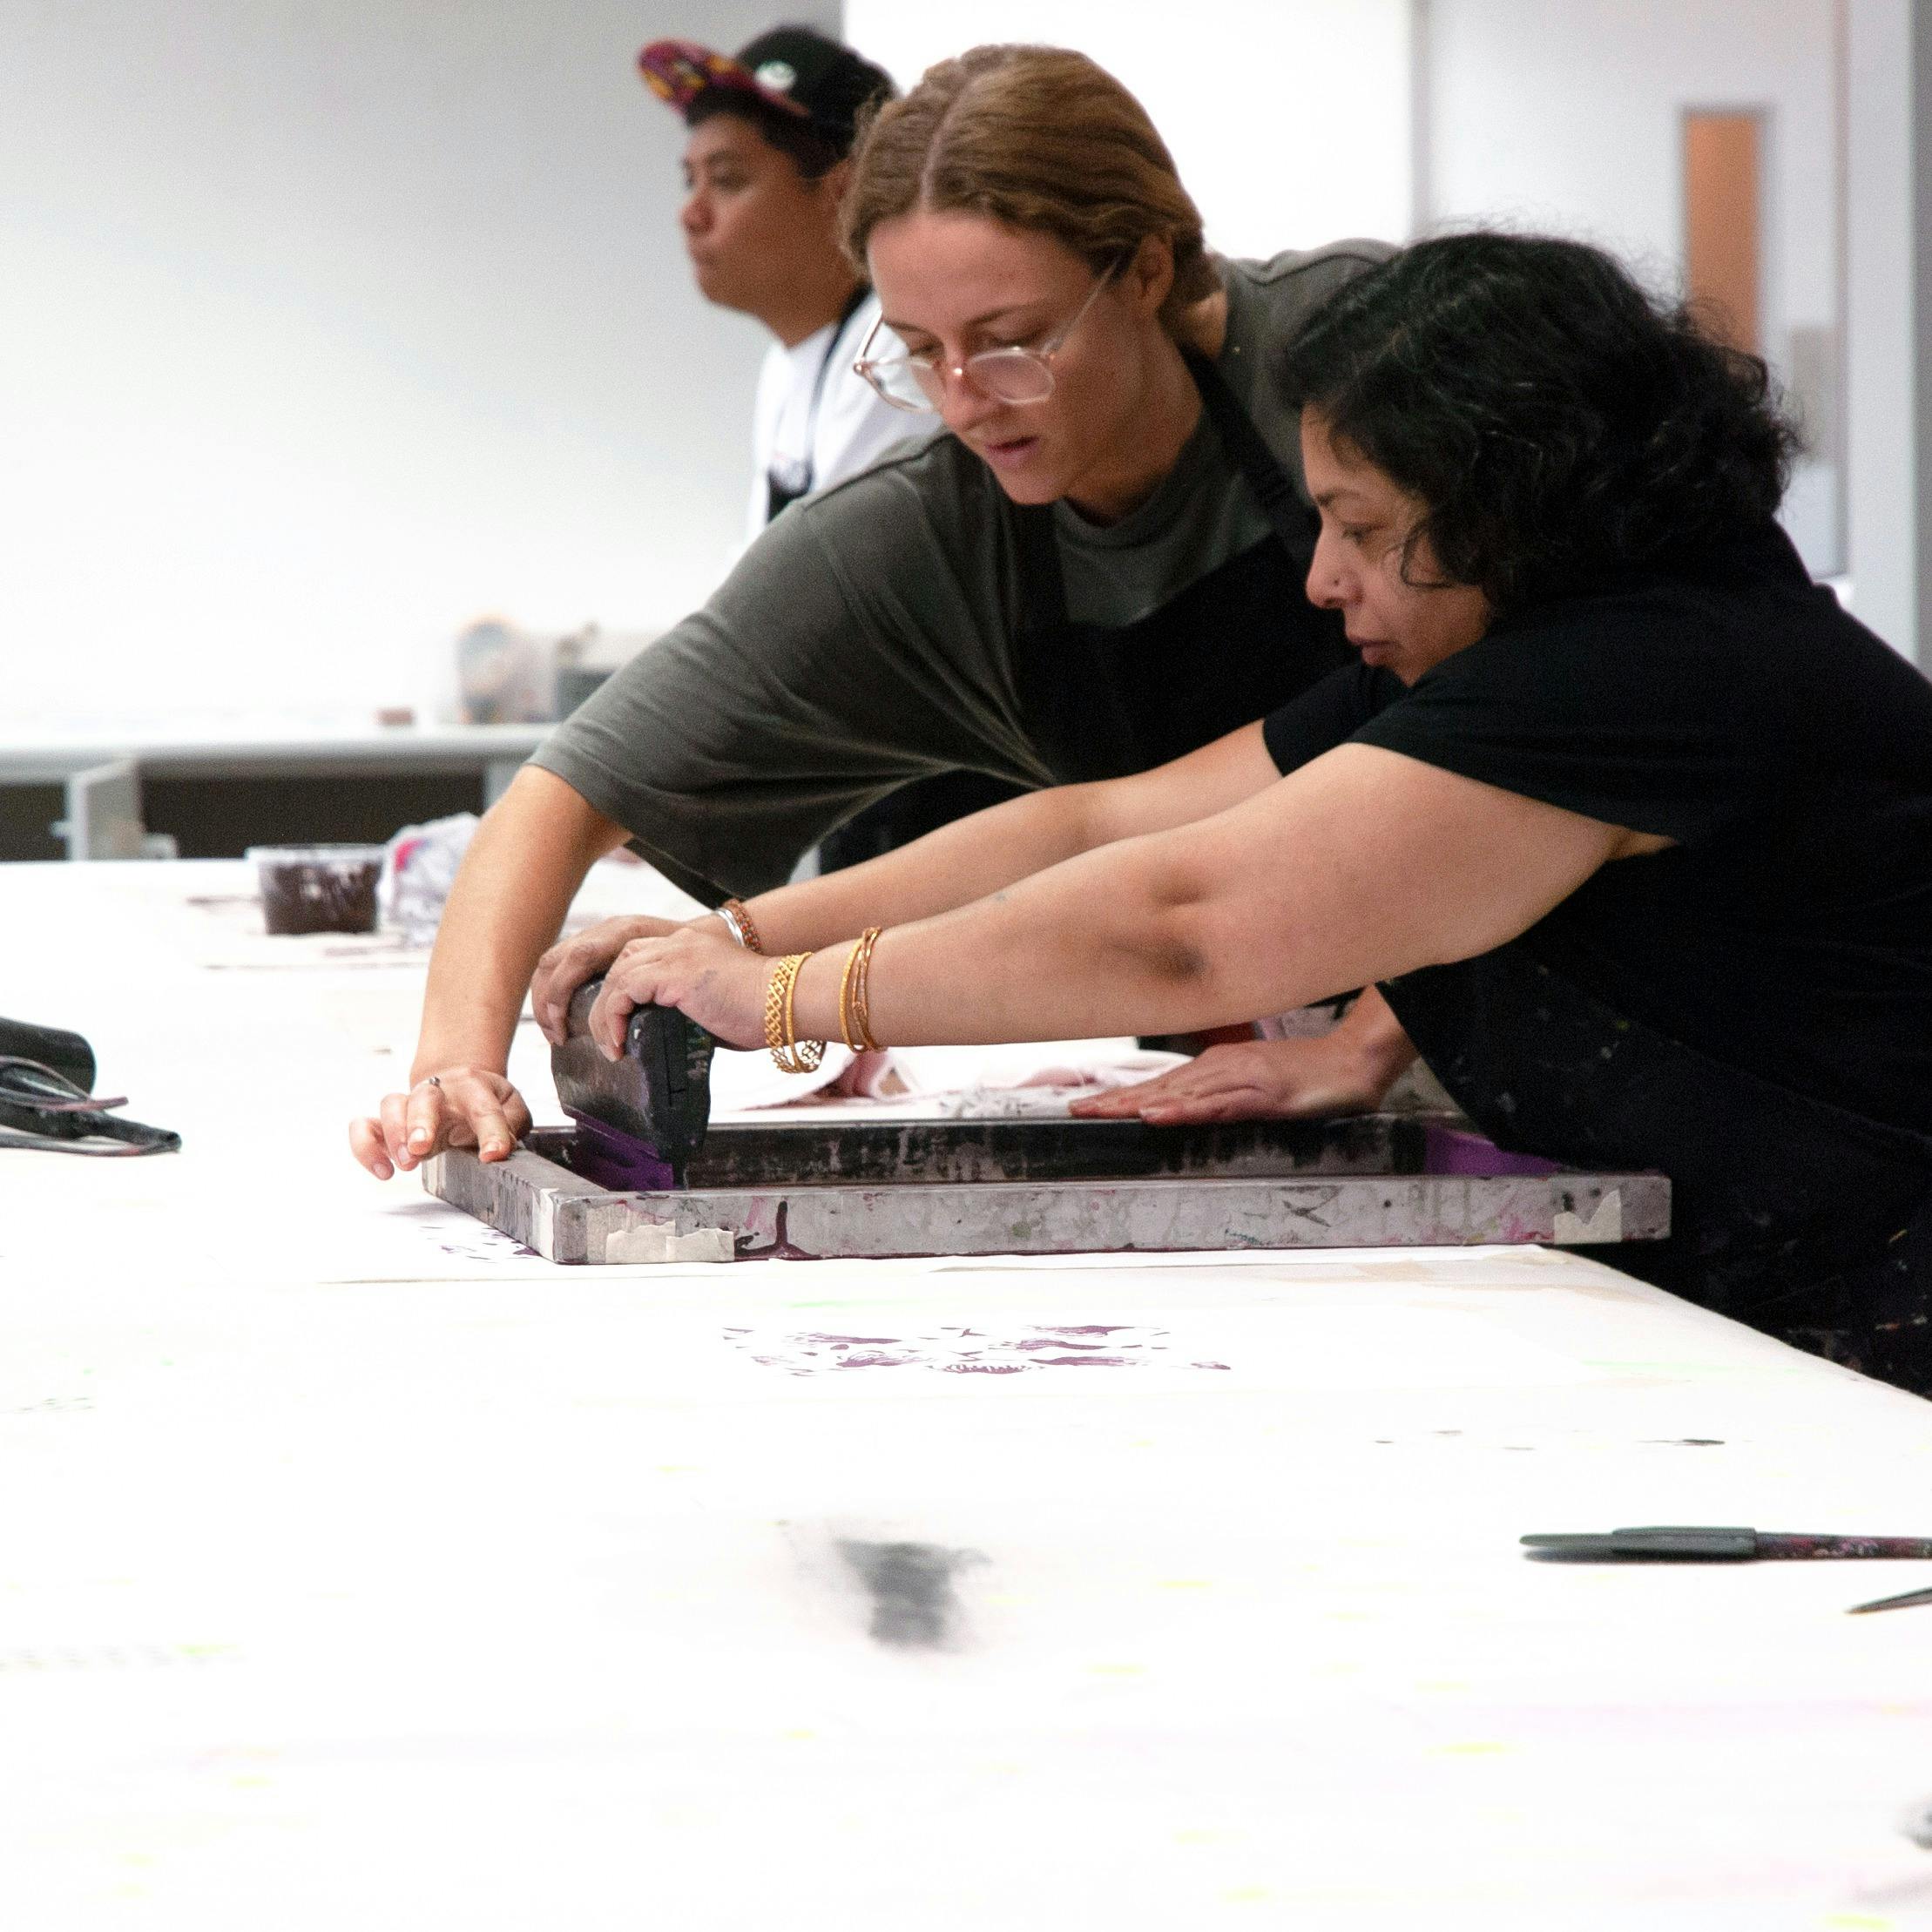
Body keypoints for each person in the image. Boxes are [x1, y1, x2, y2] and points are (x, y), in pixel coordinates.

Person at [504, 233, 1932, 1394]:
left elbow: (1186, 932)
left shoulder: (1642, 669)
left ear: (1514, 506)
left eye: (1363, 529)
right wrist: (725, 933)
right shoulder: (1531, 648)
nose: (1319, 579)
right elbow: (1099, 826)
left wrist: (785, 998)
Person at [349, 44, 1386, 1179]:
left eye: (1009, 343)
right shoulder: (930, 534)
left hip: (1495, 1007)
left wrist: (1385, 1033)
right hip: (1301, 1053)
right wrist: (457, 1062)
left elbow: (1551, 714)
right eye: (920, 353)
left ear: (1142, 268)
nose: (964, 401)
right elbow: (563, 791)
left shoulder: (1358, 360)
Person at [641, 25, 908, 537]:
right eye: (689, 180)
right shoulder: (792, 363)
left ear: (844, 191)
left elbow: (820, 607)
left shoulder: (893, 354)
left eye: (726, 180)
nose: (690, 213)